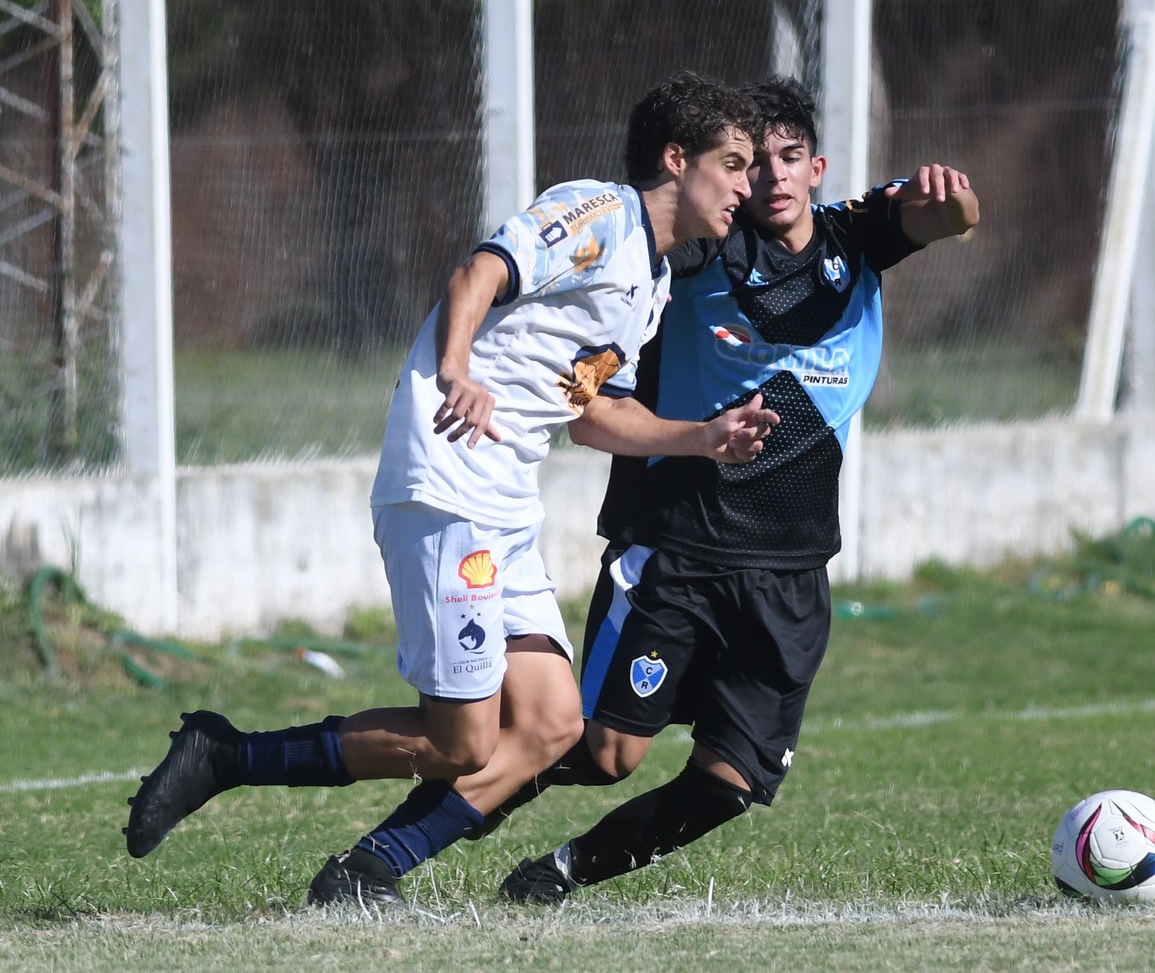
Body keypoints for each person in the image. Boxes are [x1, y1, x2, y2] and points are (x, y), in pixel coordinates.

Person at [122, 71, 777, 908]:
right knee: (463, 740)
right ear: (676, 159)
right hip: (449, 483)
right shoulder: (602, 216)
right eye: (733, 162)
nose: (745, 184)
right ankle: (227, 755)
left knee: (550, 724)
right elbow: (479, 272)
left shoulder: (649, 284)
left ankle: (366, 872)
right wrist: (457, 369)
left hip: (505, 504)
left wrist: (702, 441)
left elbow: (589, 415)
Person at [487, 75, 980, 904]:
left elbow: (946, 220)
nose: (774, 178)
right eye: (756, 163)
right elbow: (618, 304)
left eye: (791, 159)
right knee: (605, 751)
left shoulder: (854, 236)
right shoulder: (707, 250)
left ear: (816, 166)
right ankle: (407, 839)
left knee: (728, 781)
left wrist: (955, 198)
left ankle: (557, 873)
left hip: (791, 569)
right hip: (678, 551)